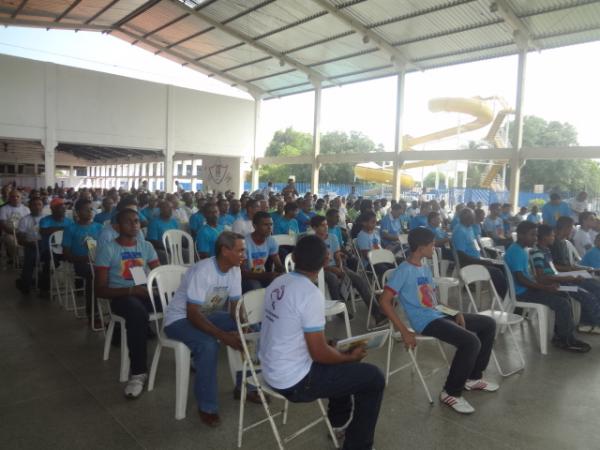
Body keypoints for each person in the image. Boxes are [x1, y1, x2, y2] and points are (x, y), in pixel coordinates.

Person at [259, 235, 385, 450]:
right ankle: (358, 445)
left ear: (295, 257)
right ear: (326, 261)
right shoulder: (309, 294)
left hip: (270, 368)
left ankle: (339, 422)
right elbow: (318, 354)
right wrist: (348, 356)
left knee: (336, 349)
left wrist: (335, 351)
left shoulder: (279, 281)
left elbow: (290, 330)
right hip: (295, 382)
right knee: (373, 378)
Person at [380, 227, 499, 414]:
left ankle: (473, 378)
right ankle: (450, 392)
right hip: (424, 321)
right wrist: (404, 331)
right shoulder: (404, 270)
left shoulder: (424, 267)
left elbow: (433, 299)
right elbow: (384, 301)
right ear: (421, 247)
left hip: (438, 314)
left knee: (488, 324)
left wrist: (454, 312)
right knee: (470, 342)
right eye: (432, 244)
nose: (434, 247)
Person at [163, 231, 262, 427]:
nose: (245, 254)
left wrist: (242, 326)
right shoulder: (203, 271)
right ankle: (207, 406)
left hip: (207, 316)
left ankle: (246, 386)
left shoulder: (234, 269)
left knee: (252, 329)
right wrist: (224, 336)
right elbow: (192, 314)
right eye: (241, 250)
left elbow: (235, 307)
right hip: (179, 319)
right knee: (209, 345)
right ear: (225, 251)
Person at [95, 208, 160, 397]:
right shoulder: (108, 249)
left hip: (144, 292)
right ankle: (138, 373)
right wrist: (130, 290)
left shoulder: (146, 246)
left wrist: (157, 287)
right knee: (137, 313)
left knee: (180, 303)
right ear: (116, 227)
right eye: (129, 221)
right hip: (121, 296)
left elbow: (158, 273)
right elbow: (99, 289)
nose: (135, 225)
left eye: (137, 221)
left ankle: (190, 353)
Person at [504, 220, 590, 352]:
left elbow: (527, 276)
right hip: (523, 293)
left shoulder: (520, 249)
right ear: (520, 235)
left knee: (563, 295)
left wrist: (546, 284)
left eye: (536, 235)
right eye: (532, 235)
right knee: (562, 303)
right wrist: (545, 287)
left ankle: (561, 336)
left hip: (529, 289)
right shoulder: (516, 252)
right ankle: (565, 340)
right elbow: (521, 279)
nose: (535, 238)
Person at [532, 224, 600, 334]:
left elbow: (553, 268)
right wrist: (568, 277)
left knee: (592, 287)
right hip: (555, 283)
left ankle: (589, 322)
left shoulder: (546, 250)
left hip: (559, 278)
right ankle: (594, 323)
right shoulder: (537, 253)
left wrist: (570, 274)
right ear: (545, 237)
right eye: (552, 236)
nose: (554, 237)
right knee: (587, 295)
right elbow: (541, 277)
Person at [451, 208, 507, 299]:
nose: (474, 219)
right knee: (497, 272)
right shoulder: (460, 231)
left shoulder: (469, 227)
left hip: (476, 259)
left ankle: (508, 297)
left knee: (503, 266)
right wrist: (482, 262)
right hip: (467, 264)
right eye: (473, 217)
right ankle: (505, 297)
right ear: (467, 219)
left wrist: (483, 258)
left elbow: (474, 245)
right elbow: (462, 256)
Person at [63, 199, 103, 324]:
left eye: (91, 209)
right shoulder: (70, 229)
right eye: (86, 210)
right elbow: (66, 254)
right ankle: (93, 313)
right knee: (93, 276)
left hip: (99, 262)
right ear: (78, 212)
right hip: (81, 263)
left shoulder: (99, 227)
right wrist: (85, 258)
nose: (90, 212)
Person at [241, 211, 283, 292]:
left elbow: (278, 265)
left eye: (271, 224)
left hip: (262, 275)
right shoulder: (244, 242)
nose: (270, 227)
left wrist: (284, 273)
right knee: (256, 287)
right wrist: (266, 275)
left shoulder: (271, 241)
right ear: (255, 226)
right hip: (246, 278)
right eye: (265, 225)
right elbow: (243, 273)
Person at [15, 197, 43, 294]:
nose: (37, 207)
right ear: (30, 207)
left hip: (45, 245)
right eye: (34, 205)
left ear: (42, 206)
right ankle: (25, 284)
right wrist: (28, 243)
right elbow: (20, 238)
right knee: (30, 256)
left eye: (39, 204)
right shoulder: (24, 220)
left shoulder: (46, 218)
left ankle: (44, 284)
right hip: (31, 244)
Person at [0, 190, 31, 264]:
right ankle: (14, 259)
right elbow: (3, 224)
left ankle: (31, 258)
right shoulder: (4, 209)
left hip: (23, 232)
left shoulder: (26, 209)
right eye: (13, 196)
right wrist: (16, 233)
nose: (15, 198)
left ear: (21, 198)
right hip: (9, 233)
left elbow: (30, 223)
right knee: (10, 239)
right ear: (9, 198)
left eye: (17, 196)